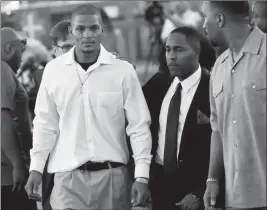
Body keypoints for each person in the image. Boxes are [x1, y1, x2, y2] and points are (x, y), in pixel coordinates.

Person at [24, 5, 152, 210]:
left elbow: (139, 127)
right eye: (80, 29)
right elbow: (44, 124)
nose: (87, 35)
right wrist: (36, 168)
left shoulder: (123, 71)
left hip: (113, 179)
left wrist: (142, 177)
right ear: (71, 31)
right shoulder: (53, 71)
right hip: (67, 181)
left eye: (93, 28)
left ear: (102, 29)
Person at [202, 1, 266, 209]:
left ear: (220, 19)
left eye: (206, 17)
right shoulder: (219, 67)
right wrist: (212, 179)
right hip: (236, 198)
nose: (204, 25)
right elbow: (217, 129)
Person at [143, 26, 212, 210]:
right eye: (168, 49)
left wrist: (199, 192)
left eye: (179, 49)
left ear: (196, 52)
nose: (171, 56)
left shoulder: (212, 88)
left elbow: (222, 146)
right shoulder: (157, 85)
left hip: (196, 191)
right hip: (159, 187)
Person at [1, 27, 37, 210]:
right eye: (20, 51)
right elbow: (2, 118)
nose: (22, 58)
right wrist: (18, 165)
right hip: (9, 175)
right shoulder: (2, 69)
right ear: (8, 48)